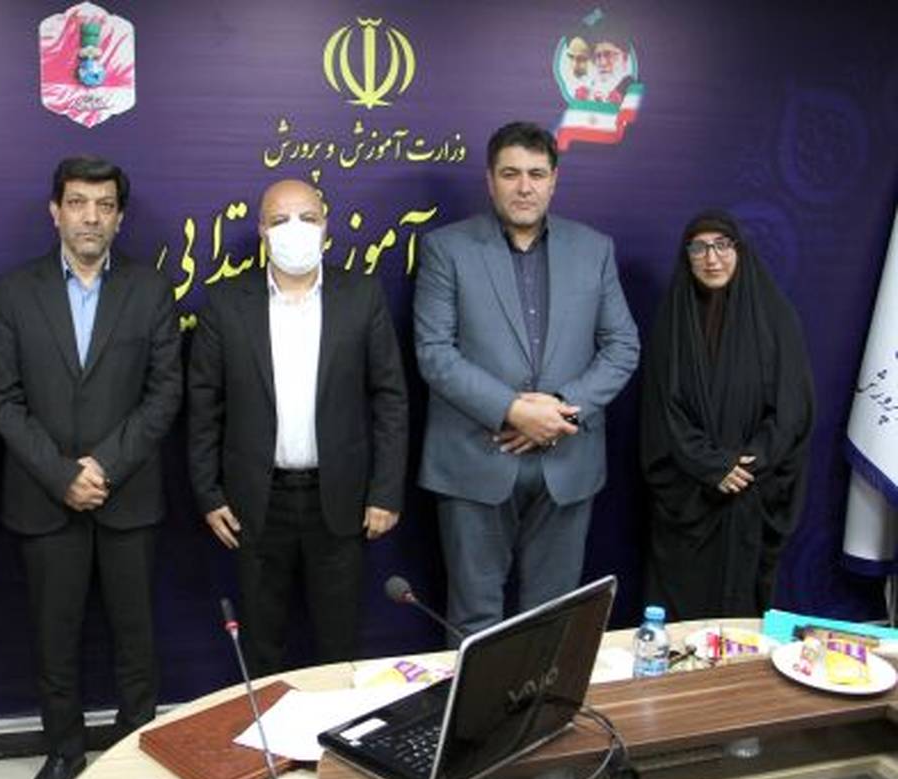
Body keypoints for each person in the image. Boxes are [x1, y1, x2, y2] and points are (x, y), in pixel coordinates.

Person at [0, 156, 182, 779]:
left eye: (104, 205)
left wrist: (105, 466)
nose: (90, 217)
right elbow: (2, 398)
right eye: (77, 203)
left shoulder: (150, 290)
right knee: (54, 638)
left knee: (136, 638)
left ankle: (134, 751)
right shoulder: (13, 292)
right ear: (55, 211)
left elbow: (164, 393)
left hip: (129, 494)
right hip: (44, 498)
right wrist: (61, 473)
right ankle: (64, 752)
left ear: (120, 217)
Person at [414, 121, 639, 636]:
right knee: (473, 621)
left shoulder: (594, 249)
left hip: (568, 459)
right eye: (510, 173)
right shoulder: (446, 248)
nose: (524, 187)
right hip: (475, 459)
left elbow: (622, 345)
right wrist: (514, 411)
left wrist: (559, 409)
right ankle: (476, 698)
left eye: (536, 174)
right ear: (490, 180)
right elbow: (434, 353)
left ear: (554, 180)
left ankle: (542, 697)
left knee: (553, 621)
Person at [188, 178, 408, 676]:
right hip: (255, 503)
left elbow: (390, 398)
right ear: (261, 229)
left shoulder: (361, 295)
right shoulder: (225, 301)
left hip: (342, 500)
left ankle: (338, 728)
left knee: (340, 643)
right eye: (280, 220)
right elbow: (203, 405)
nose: (295, 230)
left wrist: (386, 491)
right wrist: (208, 494)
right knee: (262, 643)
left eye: (308, 218)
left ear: (326, 227)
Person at [641, 210, 814, 620]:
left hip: (753, 495)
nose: (711, 258)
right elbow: (662, 413)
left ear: (739, 250)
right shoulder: (672, 323)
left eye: (722, 245)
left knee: (743, 623)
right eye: (699, 248)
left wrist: (747, 464)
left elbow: (792, 407)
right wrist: (713, 466)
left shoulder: (776, 318)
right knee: (681, 627)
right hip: (689, 498)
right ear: (687, 256)